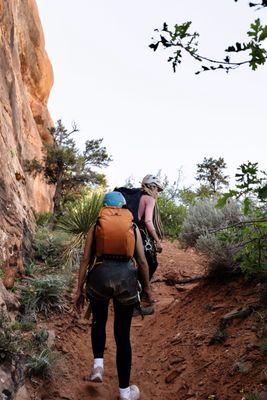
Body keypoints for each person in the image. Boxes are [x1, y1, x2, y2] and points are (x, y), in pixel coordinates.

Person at [74, 191, 152, 400]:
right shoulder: (132, 226)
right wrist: (147, 290)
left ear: (105, 207)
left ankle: (98, 366)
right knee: (122, 335)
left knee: (99, 321)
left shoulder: (97, 225)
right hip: (126, 279)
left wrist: (79, 290)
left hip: (99, 276)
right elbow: (142, 262)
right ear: (124, 207)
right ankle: (125, 393)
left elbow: (85, 260)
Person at [138, 174, 164, 280]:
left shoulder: (137, 196)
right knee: (151, 263)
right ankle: (143, 290)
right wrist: (157, 241)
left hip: (129, 228)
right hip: (140, 231)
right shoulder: (149, 199)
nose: (157, 192)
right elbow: (148, 221)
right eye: (157, 189)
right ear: (152, 187)